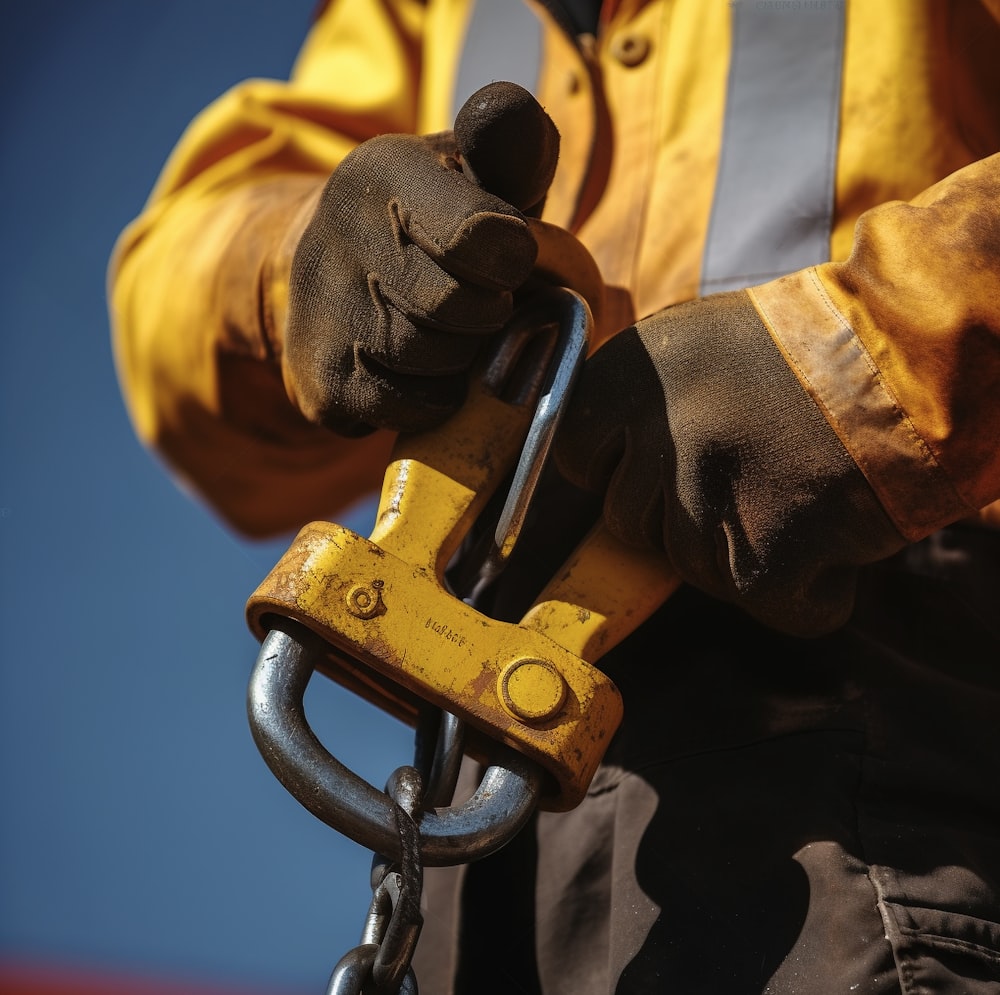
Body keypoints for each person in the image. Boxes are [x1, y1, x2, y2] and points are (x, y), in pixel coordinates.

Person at [109, 1, 1000, 991]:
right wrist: (298, 264)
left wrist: (871, 366)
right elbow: (185, 280)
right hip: (493, 756)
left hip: (890, 654)